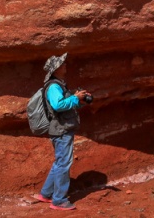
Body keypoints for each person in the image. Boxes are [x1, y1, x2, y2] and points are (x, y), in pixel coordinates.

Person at [33, 53, 90, 211]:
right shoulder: (53, 86)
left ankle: (46, 194)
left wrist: (79, 100)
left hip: (61, 128)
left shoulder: (58, 84)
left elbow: (64, 106)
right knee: (63, 164)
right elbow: (58, 106)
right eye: (62, 64)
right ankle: (58, 201)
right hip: (61, 130)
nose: (65, 65)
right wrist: (74, 97)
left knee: (59, 163)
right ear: (56, 69)